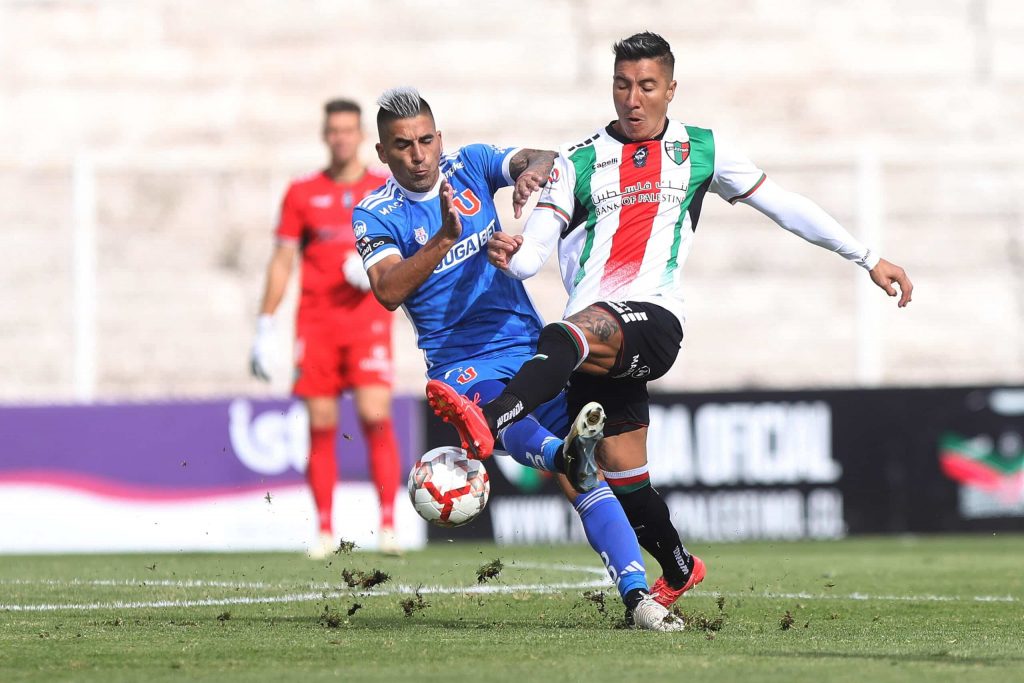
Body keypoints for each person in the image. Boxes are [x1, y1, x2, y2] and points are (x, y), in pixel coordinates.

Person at [437, 30, 915, 609]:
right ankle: (680, 567)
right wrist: (514, 259)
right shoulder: (577, 161)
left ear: (670, 89)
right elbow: (535, 251)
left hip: (651, 319)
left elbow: (785, 205)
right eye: (621, 85)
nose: (632, 99)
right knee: (624, 479)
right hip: (594, 341)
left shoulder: (703, 150)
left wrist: (866, 257)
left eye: (646, 86)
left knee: (565, 334)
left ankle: (492, 419)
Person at [352, 86, 682, 631]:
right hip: (461, 361)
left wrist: (531, 170)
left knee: (588, 480)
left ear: (440, 138)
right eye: (403, 145)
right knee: (515, 428)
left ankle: (639, 597)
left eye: (426, 139)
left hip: (527, 344)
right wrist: (440, 241)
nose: (418, 154)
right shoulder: (375, 212)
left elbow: (540, 159)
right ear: (384, 153)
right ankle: (561, 455)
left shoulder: (472, 165)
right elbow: (387, 290)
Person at [251, 98, 402, 559]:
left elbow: (410, 249)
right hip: (316, 323)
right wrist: (265, 324)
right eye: (333, 130)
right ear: (326, 136)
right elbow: (282, 261)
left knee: (375, 414)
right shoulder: (301, 193)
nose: (341, 138)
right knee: (320, 423)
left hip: (367, 320)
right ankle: (323, 529)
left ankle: (389, 525)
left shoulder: (384, 190)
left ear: (360, 137)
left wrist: (375, 263)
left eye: (348, 130)